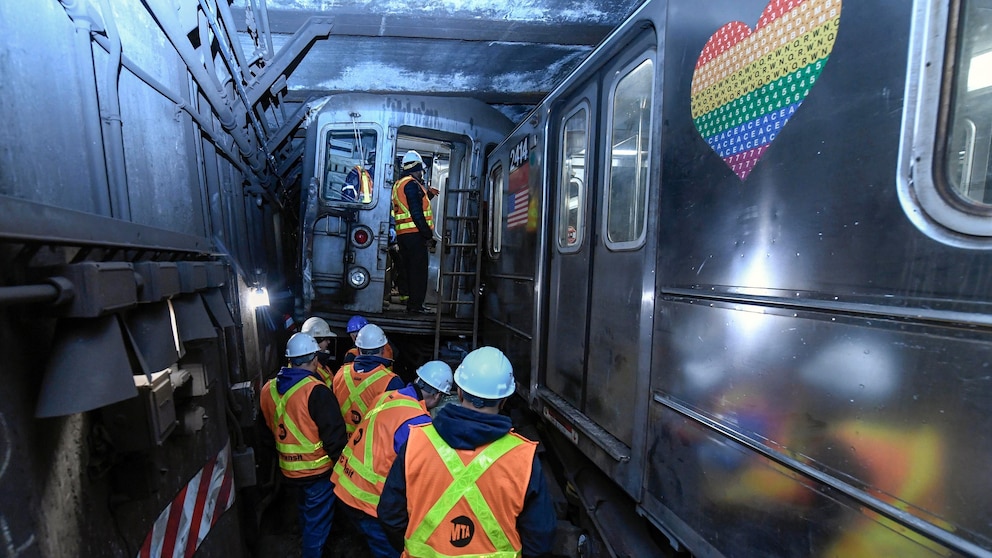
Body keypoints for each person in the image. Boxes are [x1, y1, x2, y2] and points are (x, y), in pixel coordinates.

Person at [378, 346, 556, 557]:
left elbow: (390, 514)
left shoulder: (416, 442)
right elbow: (540, 538)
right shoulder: (524, 459)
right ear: (504, 400)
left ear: (459, 392)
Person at [331, 361, 455, 558]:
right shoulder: (418, 422)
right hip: (370, 503)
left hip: (344, 487)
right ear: (438, 395)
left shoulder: (385, 397)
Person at [259, 333, 349, 558]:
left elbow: (266, 433)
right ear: (315, 360)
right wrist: (344, 469)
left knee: (305, 515)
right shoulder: (316, 391)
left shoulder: (267, 389)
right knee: (316, 526)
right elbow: (334, 437)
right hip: (316, 473)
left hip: (287, 472)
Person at [333, 323, 405, 436]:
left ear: (358, 348)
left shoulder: (340, 374)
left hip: (342, 443)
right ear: (383, 350)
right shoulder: (391, 381)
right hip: (370, 446)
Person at [391, 150, 439, 315]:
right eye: (421, 171)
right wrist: (428, 236)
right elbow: (416, 213)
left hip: (404, 236)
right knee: (419, 272)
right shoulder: (411, 184)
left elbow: (409, 207)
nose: (422, 174)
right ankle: (416, 306)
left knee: (410, 270)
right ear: (417, 168)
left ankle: (413, 304)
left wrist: (429, 195)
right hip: (415, 235)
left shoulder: (399, 184)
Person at [300, 316, 336, 384]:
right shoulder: (310, 369)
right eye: (326, 339)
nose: (329, 342)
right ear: (316, 341)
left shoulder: (321, 365)